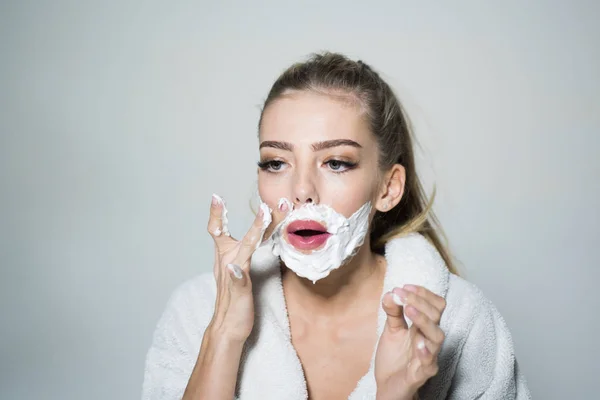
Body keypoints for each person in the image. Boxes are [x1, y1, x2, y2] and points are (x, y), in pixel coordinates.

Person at [142, 52, 531, 400]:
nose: (302, 191)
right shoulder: (196, 312)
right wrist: (223, 334)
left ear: (388, 187)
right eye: (276, 163)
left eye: (336, 162)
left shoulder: (462, 323)